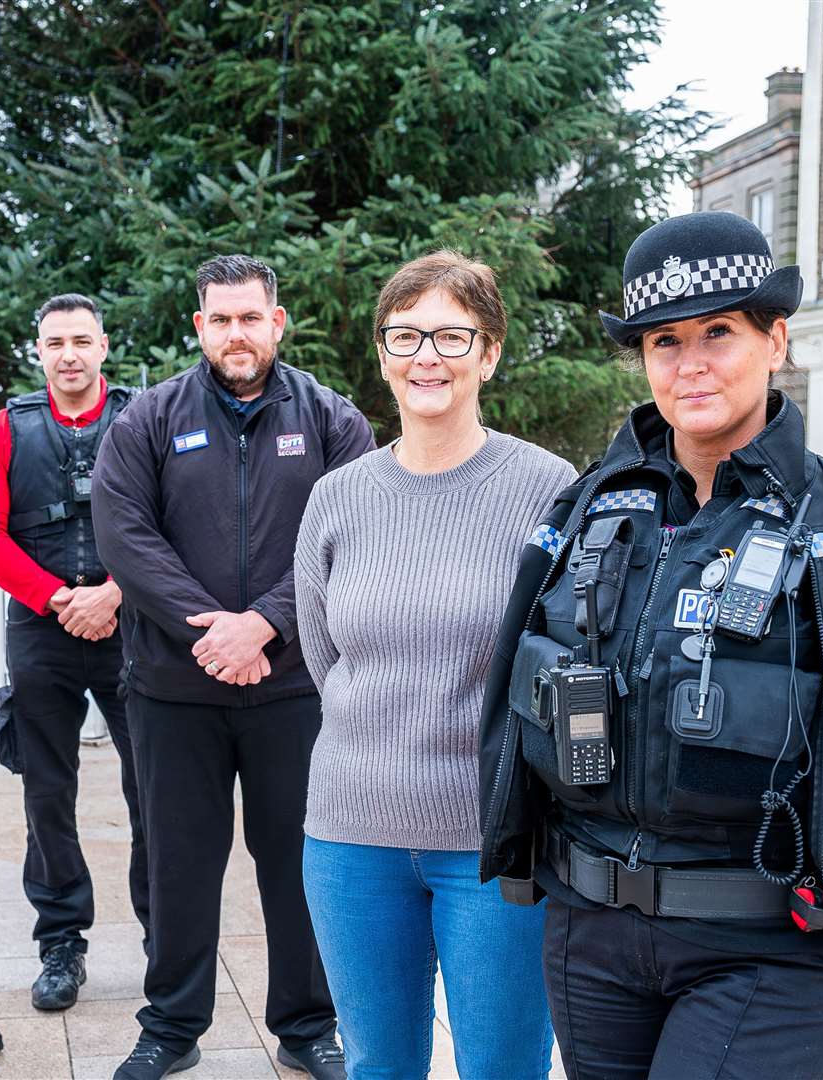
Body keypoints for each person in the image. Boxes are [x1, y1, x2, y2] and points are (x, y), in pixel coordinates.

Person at [478, 212, 823, 1079]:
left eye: (719, 331)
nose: (691, 362)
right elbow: (513, 688)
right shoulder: (585, 512)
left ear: (774, 338)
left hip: (770, 943)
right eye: (664, 341)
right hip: (588, 932)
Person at [92, 254, 374, 1080]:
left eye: (250, 318)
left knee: (298, 863)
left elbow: (348, 537)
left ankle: (306, 1026)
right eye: (220, 320)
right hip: (173, 691)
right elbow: (125, 537)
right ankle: (171, 1028)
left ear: (276, 323)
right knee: (177, 863)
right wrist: (211, 634)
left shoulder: (329, 418)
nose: (236, 334)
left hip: (293, 688)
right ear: (199, 328)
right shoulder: (147, 417)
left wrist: (263, 627)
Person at [294, 251, 570, 1079]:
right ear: (381, 353)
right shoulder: (336, 497)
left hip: (493, 840)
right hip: (350, 838)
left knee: (503, 1067)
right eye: (405, 335)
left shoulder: (546, 488)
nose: (426, 357)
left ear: (489, 353)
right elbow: (323, 655)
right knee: (377, 1065)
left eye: (452, 336)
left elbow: (559, 659)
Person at [0, 292, 149, 1009]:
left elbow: (167, 519)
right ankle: (60, 944)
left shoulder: (142, 419)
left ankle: (166, 941)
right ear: (38, 351)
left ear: (103, 346)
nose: (69, 354)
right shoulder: (3, 430)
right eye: (55, 343)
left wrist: (112, 591)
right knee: (48, 793)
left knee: (155, 790)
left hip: (131, 623)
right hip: (40, 630)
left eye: (82, 340)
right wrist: (56, 598)